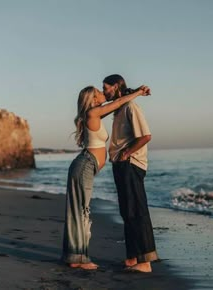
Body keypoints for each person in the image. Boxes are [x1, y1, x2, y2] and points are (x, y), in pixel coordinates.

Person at [62, 85, 150, 270]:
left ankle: (75, 257)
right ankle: (80, 259)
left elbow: (116, 101)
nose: (104, 94)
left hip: (86, 166)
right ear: (93, 99)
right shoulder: (93, 112)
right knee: (81, 212)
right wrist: (139, 93)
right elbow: (117, 102)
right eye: (100, 92)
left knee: (80, 212)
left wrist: (129, 91)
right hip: (84, 165)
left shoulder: (93, 113)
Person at [103, 74, 158, 273]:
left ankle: (145, 262)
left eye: (106, 88)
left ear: (116, 86)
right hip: (121, 165)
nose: (104, 92)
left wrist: (126, 154)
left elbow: (145, 136)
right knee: (127, 211)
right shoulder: (119, 108)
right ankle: (132, 258)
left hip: (131, 164)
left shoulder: (130, 107)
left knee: (136, 210)